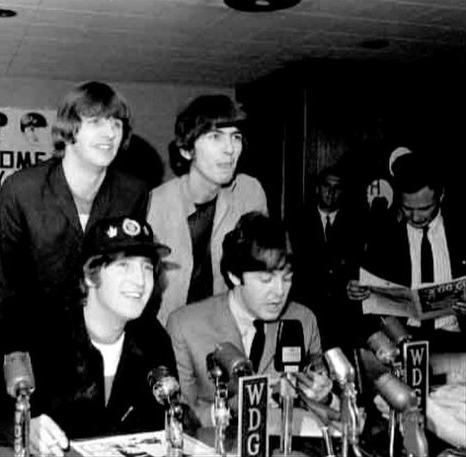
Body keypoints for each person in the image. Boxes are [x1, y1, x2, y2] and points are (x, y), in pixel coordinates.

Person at [0, 81, 150, 400]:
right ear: (69, 129)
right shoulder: (22, 190)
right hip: (33, 347)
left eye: (116, 123)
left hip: (97, 345)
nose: (110, 133)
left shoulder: (133, 192)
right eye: (97, 122)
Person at [0, 216, 176, 455]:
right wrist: (22, 427)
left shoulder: (153, 340)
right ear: (89, 276)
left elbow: (166, 421)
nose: (140, 281)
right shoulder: (38, 335)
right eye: (124, 266)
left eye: (147, 268)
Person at [166, 212, 329, 426]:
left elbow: (323, 409)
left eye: (287, 279)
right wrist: (242, 404)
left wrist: (323, 394)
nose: (279, 292)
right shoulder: (185, 325)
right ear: (234, 275)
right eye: (265, 280)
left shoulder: (304, 320)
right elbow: (180, 415)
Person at [148, 94, 267, 326]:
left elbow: (260, 272)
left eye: (236, 137)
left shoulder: (249, 193)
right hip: (165, 336)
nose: (230, 149)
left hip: (228, 332)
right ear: (186, 150)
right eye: (215, 137)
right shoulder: (154, 205)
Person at [347, 150, 466, 341]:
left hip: (455, 338)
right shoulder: (385, 237)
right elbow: (366, 296)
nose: (416, 217)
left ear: (441, 195)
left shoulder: (461, 234)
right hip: (403, 340)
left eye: (425, 208)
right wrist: (355, 291)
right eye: (408, 209)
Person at [289, 165, 364, 352]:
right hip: (307, 311)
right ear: (317, 188)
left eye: (337, 187)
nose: (331, 192)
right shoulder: (297, 222)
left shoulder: (357, 224)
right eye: (326, 186)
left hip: (344, 316)